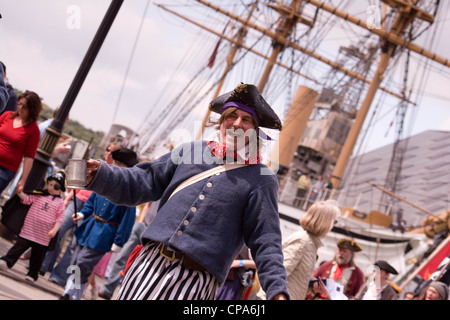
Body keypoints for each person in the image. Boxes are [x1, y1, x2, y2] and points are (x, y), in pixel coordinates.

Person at [83, 83, 289, 300]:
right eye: (232, 115)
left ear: (255, 131)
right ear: (222, 120)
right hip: (148, 265)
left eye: (246, 120)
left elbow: (267, 240)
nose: (237, 123)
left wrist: (277, 291)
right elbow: (140, 180)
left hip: (194, 283)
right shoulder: (189, 151)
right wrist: (100, 174)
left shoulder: (262, 179)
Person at [59, 147, 138, 300]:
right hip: (89, 227)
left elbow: (127, 221)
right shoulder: (105, 182)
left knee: (82, 263)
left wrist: (119, 241)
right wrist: (83, 213)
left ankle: (69, 292)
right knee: (76, 261)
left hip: (105, 234)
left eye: (120, 163)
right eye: (116, 162)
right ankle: (71, 294)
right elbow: (91, 202)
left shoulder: (130, 191)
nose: (115, 165)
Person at [47, 141, 122, 285]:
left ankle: (60, 276)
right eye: (106, 149)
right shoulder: (96, 164)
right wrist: (69, 197)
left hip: (92, 209)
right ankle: (45, 265)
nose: (107, 153)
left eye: (110, 151)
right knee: (57, 231)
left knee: (75, 244)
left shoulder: (115, 172)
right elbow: (79, 181)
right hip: (78, 200)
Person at [0, 171, 66, 281]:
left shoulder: (60, 203)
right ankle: (7, 261)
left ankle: (32, 273)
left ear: (60, 188)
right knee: (18, 247)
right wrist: (20, 193)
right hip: (29, 230)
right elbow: (26, 199)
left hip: (43, 235)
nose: (51, 187)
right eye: (49, 184)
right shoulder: (40, 195)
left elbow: (60, 219)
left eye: (55, 186)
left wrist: (54, 230)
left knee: (37, 255)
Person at [97, 199, 158, 300]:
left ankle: (129, 294)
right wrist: (140, 222)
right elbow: (147, 204)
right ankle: (108, 290)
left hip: (154, 236)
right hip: (142, 226)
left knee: (143, 267)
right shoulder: (163, 185)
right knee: (122, 257)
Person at [0, 90, 42, 194]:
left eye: (24, 107)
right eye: (19, 104)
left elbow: (29, 157)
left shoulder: (33, 130)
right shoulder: (6, 115)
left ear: (32, 110)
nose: (20, 108)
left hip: (5, 170)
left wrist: (23, 180)